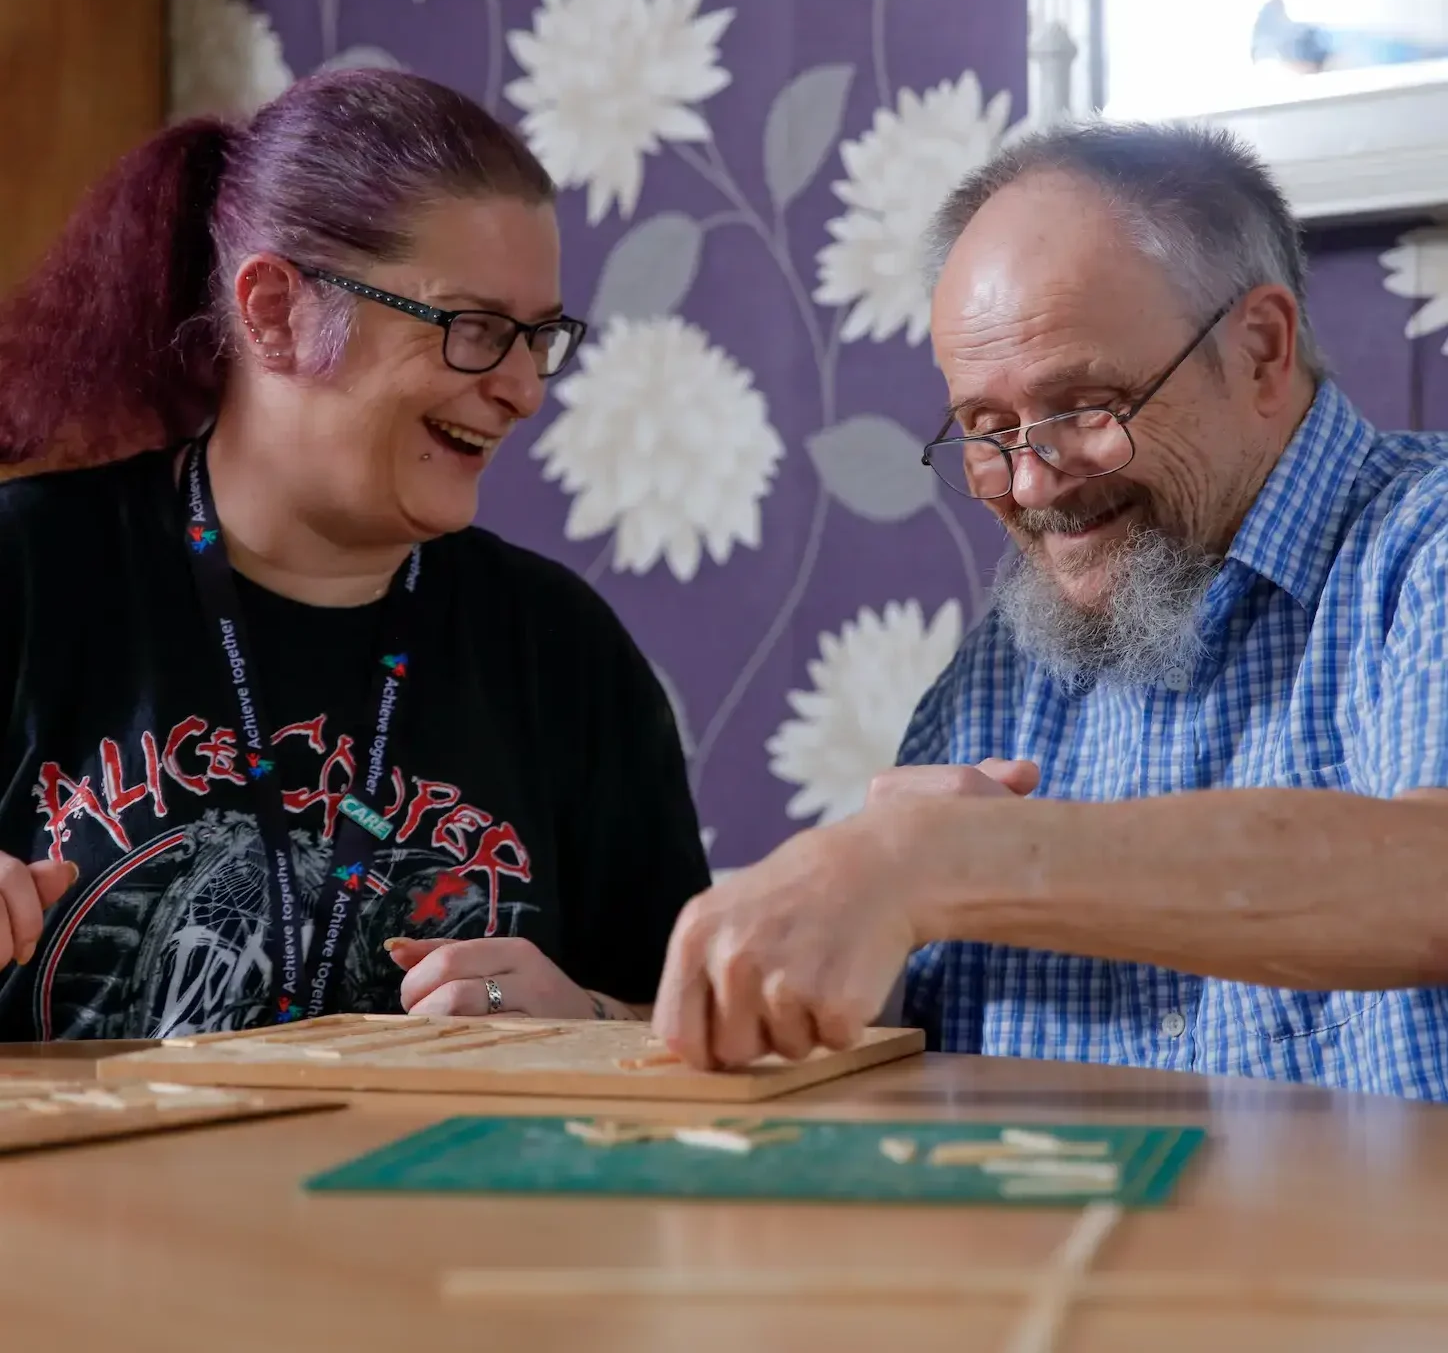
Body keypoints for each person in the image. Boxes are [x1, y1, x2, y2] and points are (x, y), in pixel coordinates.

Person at [652, 122, 1448, 1099]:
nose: (1030, 483)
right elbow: (893, 1054)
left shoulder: (1422, 552)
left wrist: (945, 857)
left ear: (1259, 351)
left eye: (1084, 406)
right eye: (986, 431)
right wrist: (610, 1028)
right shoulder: (1003, 667)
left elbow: (1428, 876)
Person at [0, 68, 709, 1041]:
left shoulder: (561, 648)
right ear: (276, 313)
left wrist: (591, 1016)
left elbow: (677, 1026)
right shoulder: (28, 571)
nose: (522, 391)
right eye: (471, 329)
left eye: (537, 338)